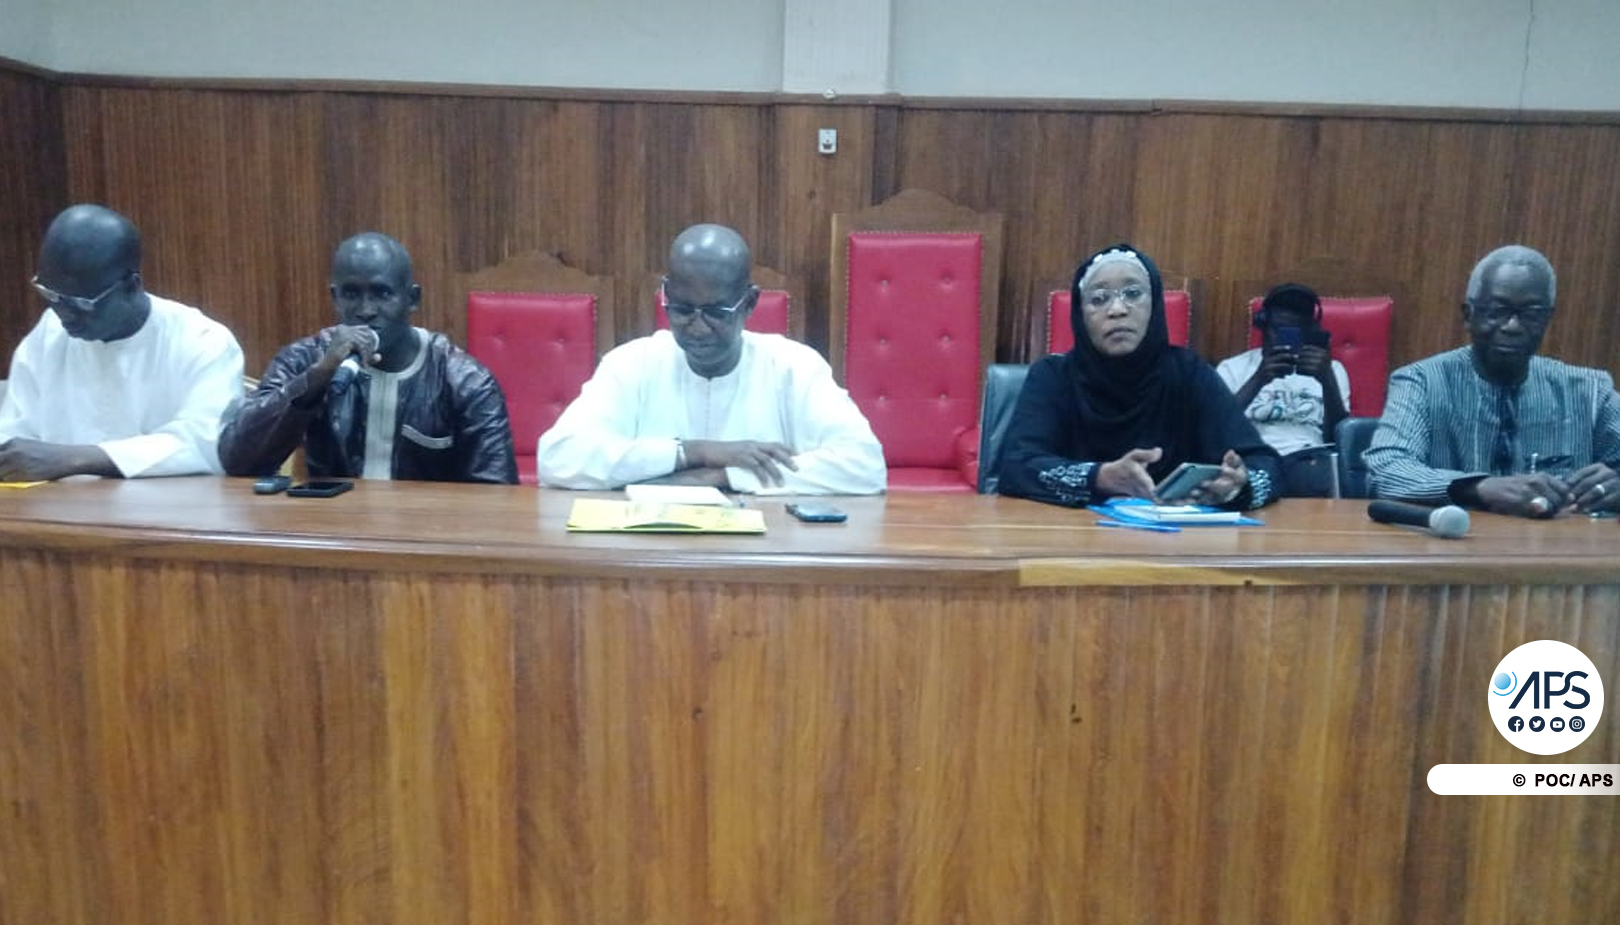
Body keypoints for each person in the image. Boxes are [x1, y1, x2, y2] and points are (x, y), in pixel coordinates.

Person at [536, 223, 885, 494]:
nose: (697, 327)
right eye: (682, 309)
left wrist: (722, 477)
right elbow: (557, 459)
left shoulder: (794, 367)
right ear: (665, 294)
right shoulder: (631, 363)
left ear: (749, 304)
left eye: (717, 312)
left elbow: (865, 465)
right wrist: (694, 452)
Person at [997, 243, 1280, 509]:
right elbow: (1015, 467)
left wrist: (1239, 486)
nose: (1117, 310)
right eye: (1099, 299)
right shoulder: (1053, 377)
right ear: (1080, 315)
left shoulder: (1189, 373)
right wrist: (1100, 477)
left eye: (1133, 294)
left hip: (1175, 538)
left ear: (1154, 305)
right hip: (1070, 537)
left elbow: (1266, 465)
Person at [219, 232, 517, 483]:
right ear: (335, 297)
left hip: (426, 530)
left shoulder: (465, 381)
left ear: (412, 299)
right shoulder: (305, 360)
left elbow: (497, 497)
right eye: (351, 294)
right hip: (332, 528)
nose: (366, 310)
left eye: (382, 294)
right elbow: (237, 460)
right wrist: (317, 378)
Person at [1364, 244, 1619, 517]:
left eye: (1531, 314)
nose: (1512, 326)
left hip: (1563, 543)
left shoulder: (1592, 392)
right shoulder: (1421, 383)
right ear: (1468, 315)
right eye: (1497, 311)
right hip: (1454, 540)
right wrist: (1478, 488)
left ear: (1547, 319)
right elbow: (1385, 472)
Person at [0, 204, 244, 480]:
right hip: (57, 506)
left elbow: (205, 444)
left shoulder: (202, 340)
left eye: (82, 302)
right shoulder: (50, 334)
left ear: (131, 286)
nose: (64, 313)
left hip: (169, 506)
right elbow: (13, 435)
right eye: (51, 295)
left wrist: (77, 459)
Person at [1215, 282, 1350, 495]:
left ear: (1310, 330)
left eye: (1297, 330)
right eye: (1278, 330)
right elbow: (1216, 428)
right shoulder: (1233, 368)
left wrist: (1327, 381)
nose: (1284, 338)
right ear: (1262, 325)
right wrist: (1259, 379)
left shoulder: (1331, 370)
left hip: (1309, 459)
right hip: (1254, 456)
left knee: (1316, 474)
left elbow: (1338, 439)